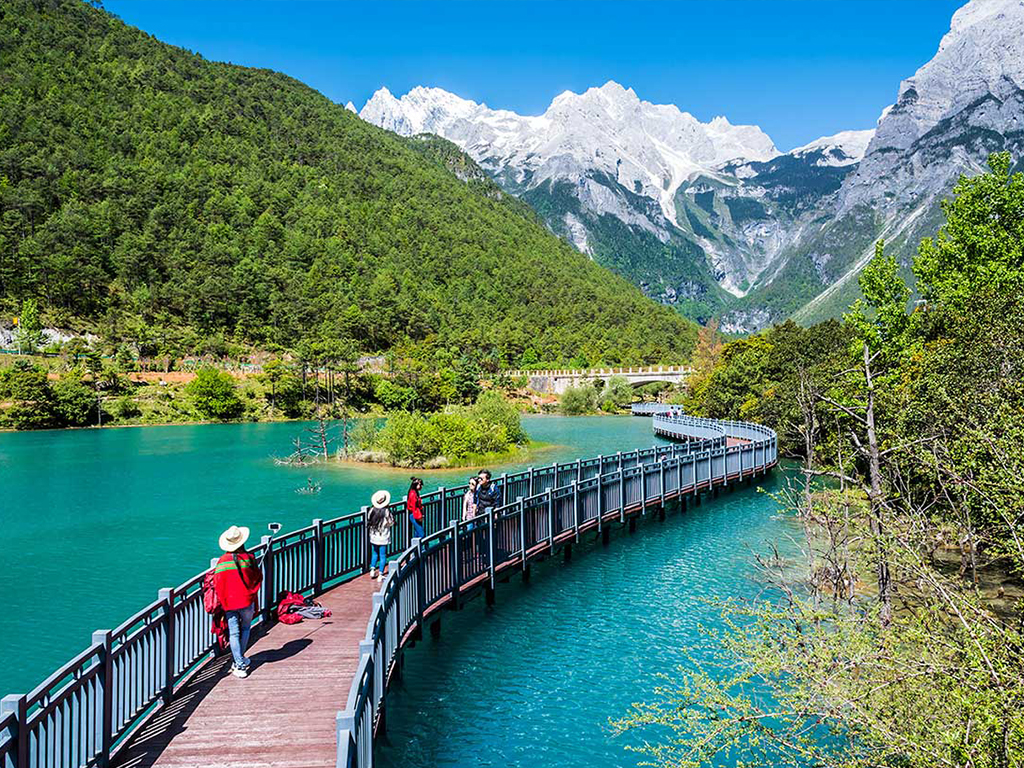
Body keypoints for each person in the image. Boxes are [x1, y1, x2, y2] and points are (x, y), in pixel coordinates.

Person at [214, 525, 263, 679]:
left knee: (234, 633)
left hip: (229, 604)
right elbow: (257, 578)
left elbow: (218, 584)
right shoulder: (249, 558)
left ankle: (240, 664)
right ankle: (239, 661)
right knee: (246, 628)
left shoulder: (222, 562)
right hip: (247, 601)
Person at [368, 490, 394, 581]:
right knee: (383, 555)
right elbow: (390, 522)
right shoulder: (386, 511)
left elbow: (369, 520)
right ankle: (381, 574)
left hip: (373, 536)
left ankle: (372, 569)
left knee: (374, 553)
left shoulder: (371, 510)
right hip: (383, 537)